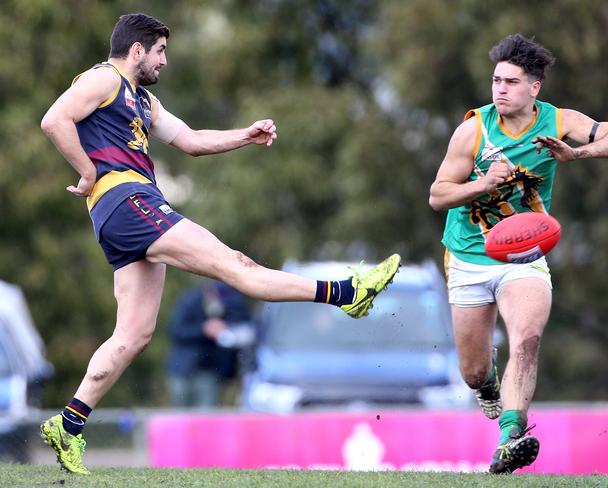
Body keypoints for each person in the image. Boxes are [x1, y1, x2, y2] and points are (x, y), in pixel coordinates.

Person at [38, 13, 401, 475]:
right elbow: (54, 120)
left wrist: (244, 136)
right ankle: (347, 294)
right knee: (235, 266)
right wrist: (88, 172)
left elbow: (190, 140)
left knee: (133, 335)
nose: (164, 61)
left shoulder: (143, 101)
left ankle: (68, 425)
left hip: (121, 213)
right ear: (137, 50)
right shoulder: (103, 78)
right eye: (160, 51)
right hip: (127, 200)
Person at [428, 33, 608, 474]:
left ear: (535, 88)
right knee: (471, 372)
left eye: (510, 81)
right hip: (468, 257)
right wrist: (483, 184)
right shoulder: (474, 129)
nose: (499, 89)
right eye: (495, 80)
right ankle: (486, 383)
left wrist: (578, 153)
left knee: (526, 338)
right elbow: (437, 195)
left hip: (523, 258)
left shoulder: (558, 121)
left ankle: (511, 436)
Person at [167, 280, 255, 408]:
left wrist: (226, 329)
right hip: (183, 369)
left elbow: (245, 331)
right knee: (181, 416)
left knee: (205, 416)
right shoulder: (190, 301)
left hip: (210, 371)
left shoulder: (234, 303)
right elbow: (176, 331)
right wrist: (203, 330)